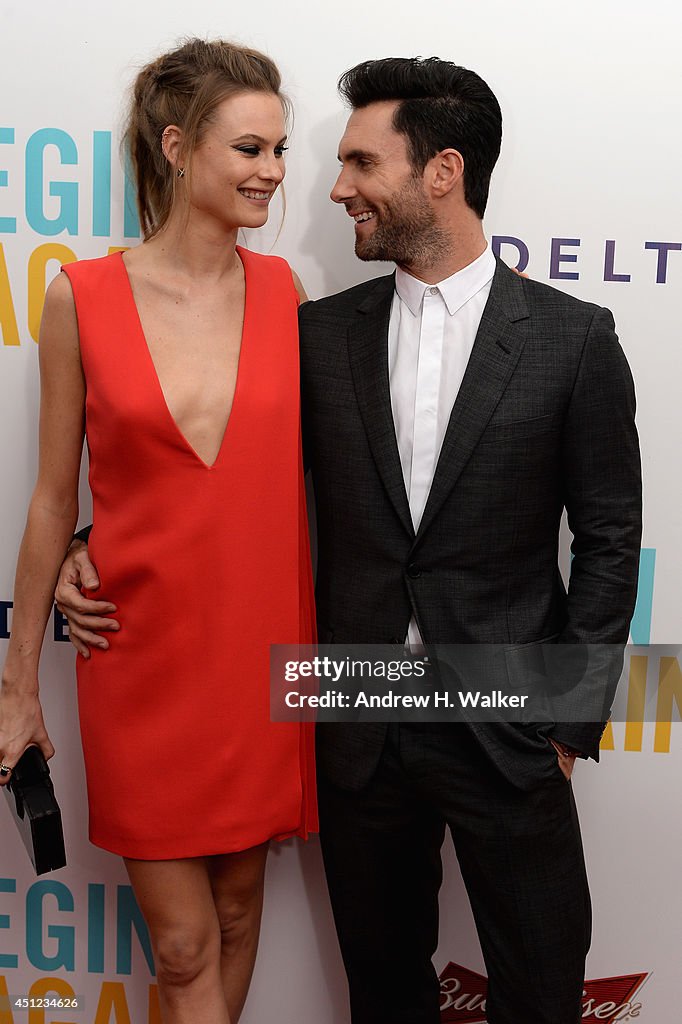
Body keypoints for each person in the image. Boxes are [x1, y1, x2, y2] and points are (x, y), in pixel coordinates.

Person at [56, 57, 642, 1024]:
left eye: (362, 163)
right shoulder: (316, 333)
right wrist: (92, 537)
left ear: (441, 172)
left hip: (508, 724)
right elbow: (215, 470)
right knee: (384, 995)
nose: (333, 187)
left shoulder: (572, 339)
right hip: (359, 720)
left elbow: (612, 540)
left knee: (540, 993)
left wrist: (566, 727)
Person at [0, 38, 316, 1024]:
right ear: (178, 147)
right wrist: (19, 688)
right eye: (250, 148)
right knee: (180, 945)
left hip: (261, 656)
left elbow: (262, 483)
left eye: (280, 148)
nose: (273, 170)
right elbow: (52, 497)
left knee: (233, 912)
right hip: (144, 661)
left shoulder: (286, 298)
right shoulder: (80, 298)